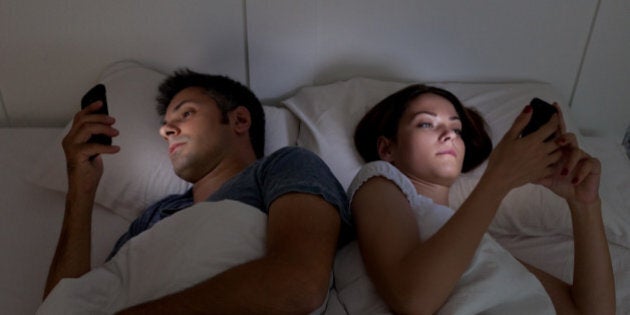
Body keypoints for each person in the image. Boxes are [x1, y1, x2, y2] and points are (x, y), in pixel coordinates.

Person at [43, 69, 351, 314]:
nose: (165, 130)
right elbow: (68, 303)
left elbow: (300, 284)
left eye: (185, 113)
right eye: (165, 125)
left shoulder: (285, 166)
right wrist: (80, 192)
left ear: (239, 119)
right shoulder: (154, 217)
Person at [347, 84, 615, 314]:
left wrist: (585, 205)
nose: (449, 134)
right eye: (426, 123)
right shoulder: (378, 181)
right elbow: (412, 299)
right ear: (386, 148)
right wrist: (499, 180)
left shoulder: (480, 246)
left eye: (457, 129)